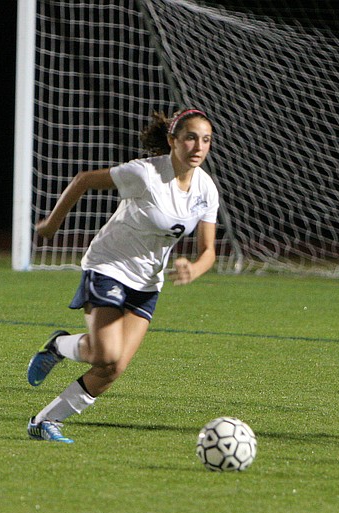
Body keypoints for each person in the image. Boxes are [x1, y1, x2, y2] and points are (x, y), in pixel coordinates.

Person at [26, 108, 220, 443]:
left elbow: (209, 252)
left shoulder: (206, 189)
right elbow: (84, 180)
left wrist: (194, 269)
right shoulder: (145, 174)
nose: (198, 146)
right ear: (172, 141)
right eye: (190, 137)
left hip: (147, 283)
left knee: (113, 368)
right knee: (106, 354)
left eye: (205, 140)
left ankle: (45, 421)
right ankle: (59, 345)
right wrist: (52, 224)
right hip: (109, 265)